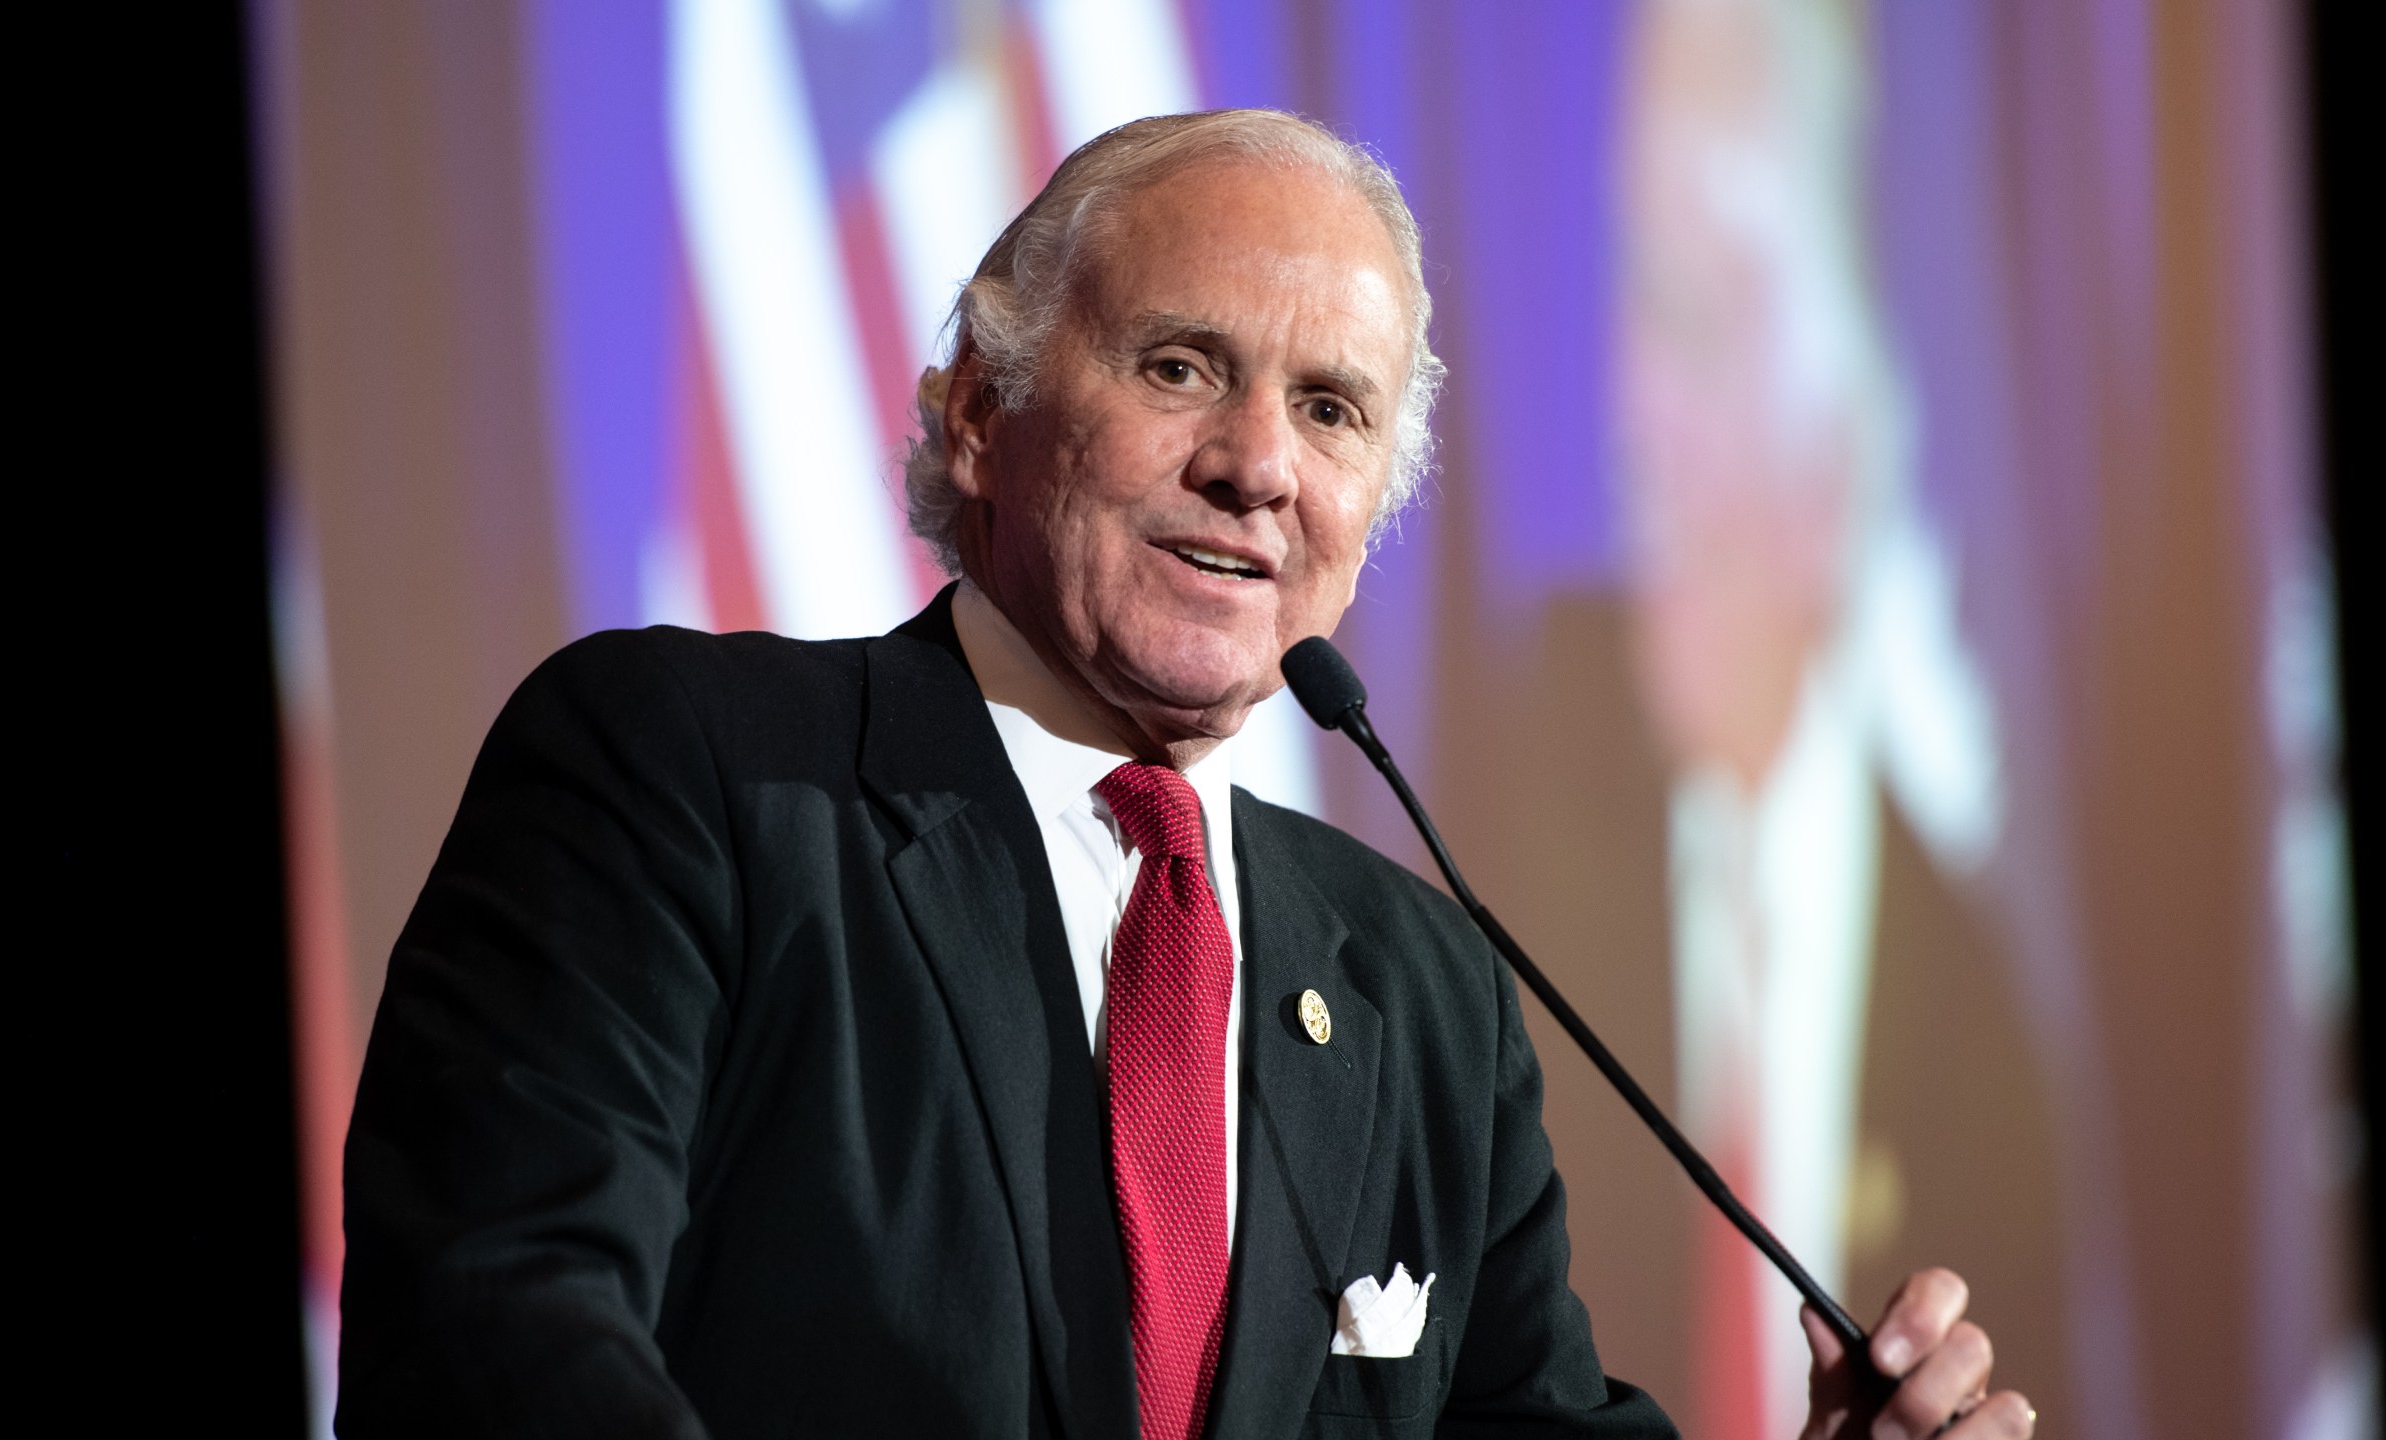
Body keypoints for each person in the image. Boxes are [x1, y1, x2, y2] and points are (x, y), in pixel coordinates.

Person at [339, 109, 2034, 1439]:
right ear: (977, 418)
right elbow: (502, 1327)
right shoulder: (690, 779)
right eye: (1179, 368)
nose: (1257, 468)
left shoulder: (1423, 993)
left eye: (1333, 411)